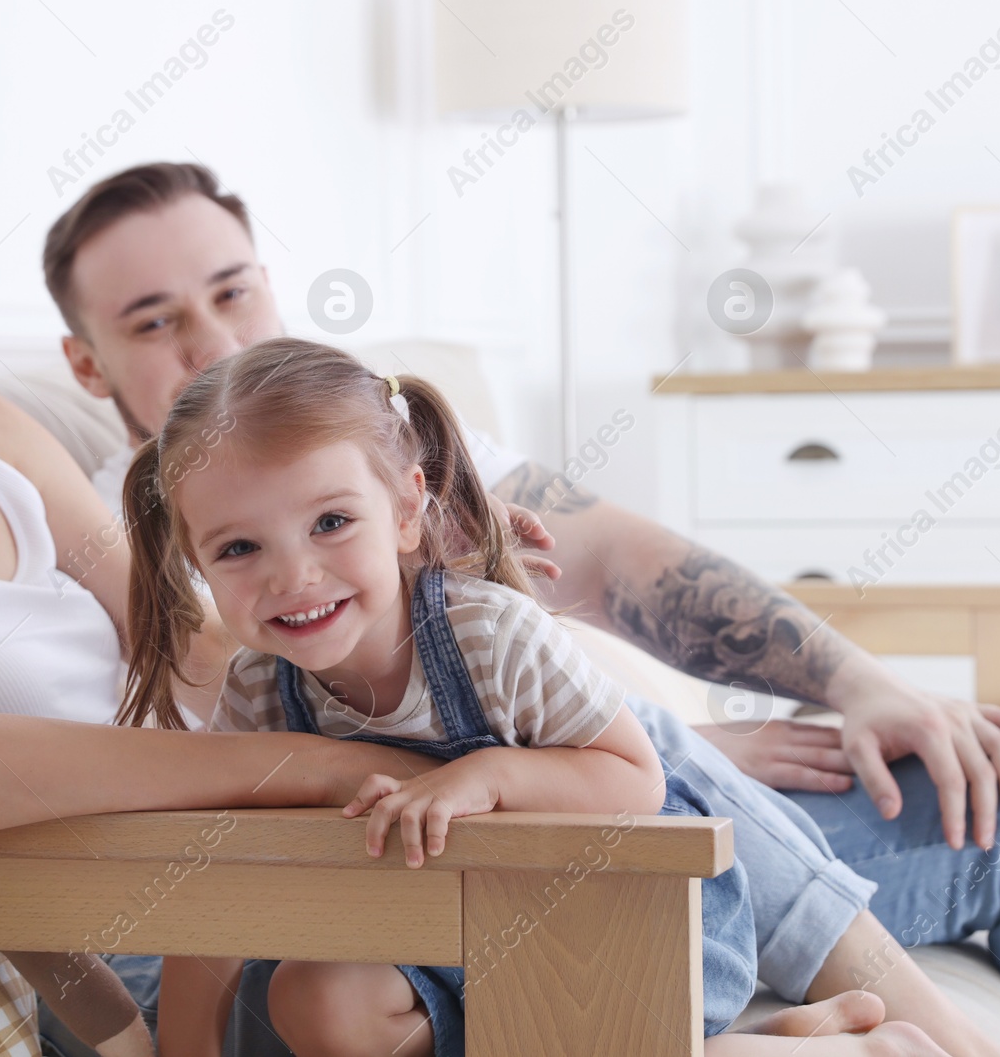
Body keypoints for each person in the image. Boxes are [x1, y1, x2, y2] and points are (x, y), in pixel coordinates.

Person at [0, 116, 953, 1056]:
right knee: (651, 774)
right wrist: (306, 769)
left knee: (654, 751)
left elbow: (198, 647)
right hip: (192, 879)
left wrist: (432, 634)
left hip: (304, 819)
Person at [44, 159, 1000, 1057]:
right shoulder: (150, 531)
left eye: (231, 290)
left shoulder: (362, 451)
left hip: (587, 783)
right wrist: (652, 744)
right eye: (154, 323)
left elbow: (618, 559)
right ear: (87, 367)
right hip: (507, 839)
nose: (212, 341)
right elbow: (278, 762)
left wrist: (857, 683)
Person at [120, 337, 902, 1055]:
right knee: (313, 997)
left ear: (403, 509)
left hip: (624, 911)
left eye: (330, 521)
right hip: (434, 934)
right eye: (239, 548)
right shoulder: (258, 688)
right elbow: (219, 882)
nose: (292, 576)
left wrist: (487, 776)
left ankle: (831, 1039)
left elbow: (637, 778)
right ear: (195, 560)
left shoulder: (487, 636)